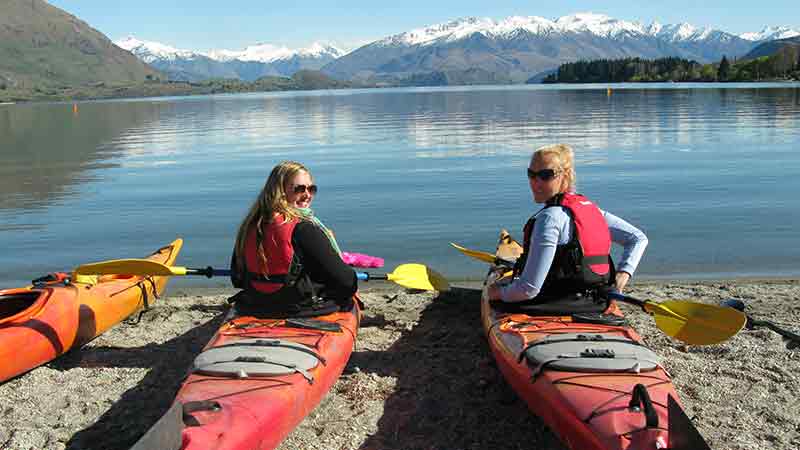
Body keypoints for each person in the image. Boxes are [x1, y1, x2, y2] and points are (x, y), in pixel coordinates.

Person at [486, 144, 647, 310]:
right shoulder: (593, 211)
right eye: (531, 174)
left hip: (553, 302)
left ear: (566, 175)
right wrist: (623, 274)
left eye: (546, 175)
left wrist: (497, 293)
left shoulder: (549, 219)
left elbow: (528, 290)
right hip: (595, 302)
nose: (536, 182)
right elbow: (637, 238)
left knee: (497, 293)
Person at [229, 161, 357, 317]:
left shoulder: (250, 225)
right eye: (299, 189)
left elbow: (237, 278)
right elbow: (347, 282)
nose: (307, 195)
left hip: (254, 303)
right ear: (280, 191)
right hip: (297, 308)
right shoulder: (304, 229)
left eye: (312, 189)